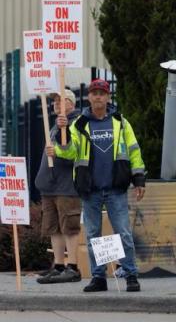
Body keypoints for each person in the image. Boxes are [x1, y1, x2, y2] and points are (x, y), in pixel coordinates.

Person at [51, 79, 146, 293]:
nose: (98, 97)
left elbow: (134, 151)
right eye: (94, 93)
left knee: (123, 233)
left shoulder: (121, 122)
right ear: (89, 98)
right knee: (93, 235)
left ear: (108, 97)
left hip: (116, 188)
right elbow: (68, 153)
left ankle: (131, 274)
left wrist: (138, 178)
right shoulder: (80, 124)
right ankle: (98, 277)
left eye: (102, 93)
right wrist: (62, 134)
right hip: (90, 189)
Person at [36, 89, 82, 284]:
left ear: (71, 103)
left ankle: (72, 267)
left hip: (66, 186)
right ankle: (59, 265)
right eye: (54, 100)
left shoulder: (76, 124)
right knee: (54, 227)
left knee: (68, 226)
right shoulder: (55, 125)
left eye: (60, 100)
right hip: (51, 186)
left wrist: (59, 149)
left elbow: (75, 151)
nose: (55, 103)